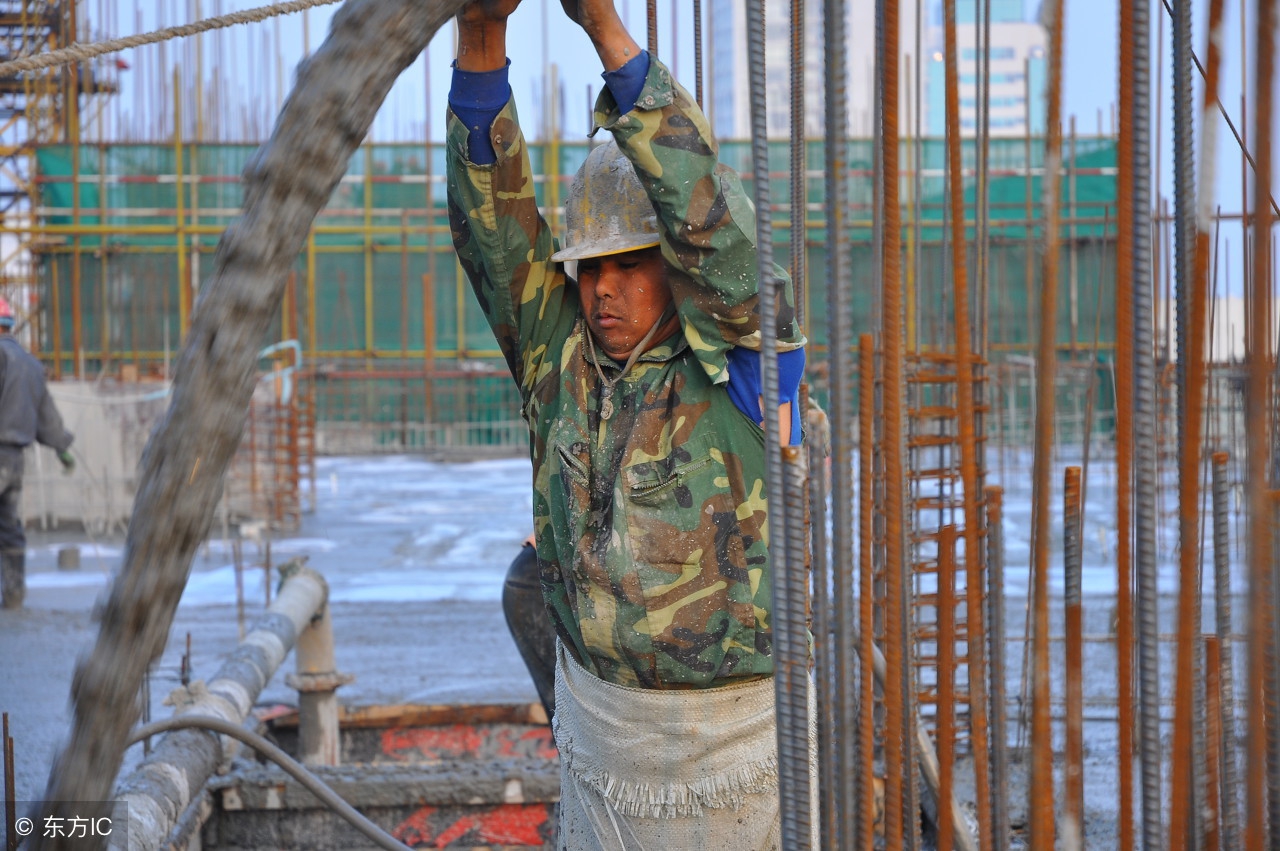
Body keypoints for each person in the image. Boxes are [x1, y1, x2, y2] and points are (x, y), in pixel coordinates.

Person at [447, 0, 806, 844]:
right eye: (588, 269)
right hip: (610, 752)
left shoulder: (746, 373)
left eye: (627, 266)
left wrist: (605, 27)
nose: (601, 289)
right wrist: (482, 38)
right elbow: (493, 236)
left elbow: (723, 236)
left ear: (674, 267)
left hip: (739, 756)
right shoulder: (559, 362)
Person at [0, 296, 75, 610]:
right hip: (15, 459)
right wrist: (62, 448)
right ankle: (15, 594)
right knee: (8, 525)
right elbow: (47, 416)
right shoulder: (30, 364)